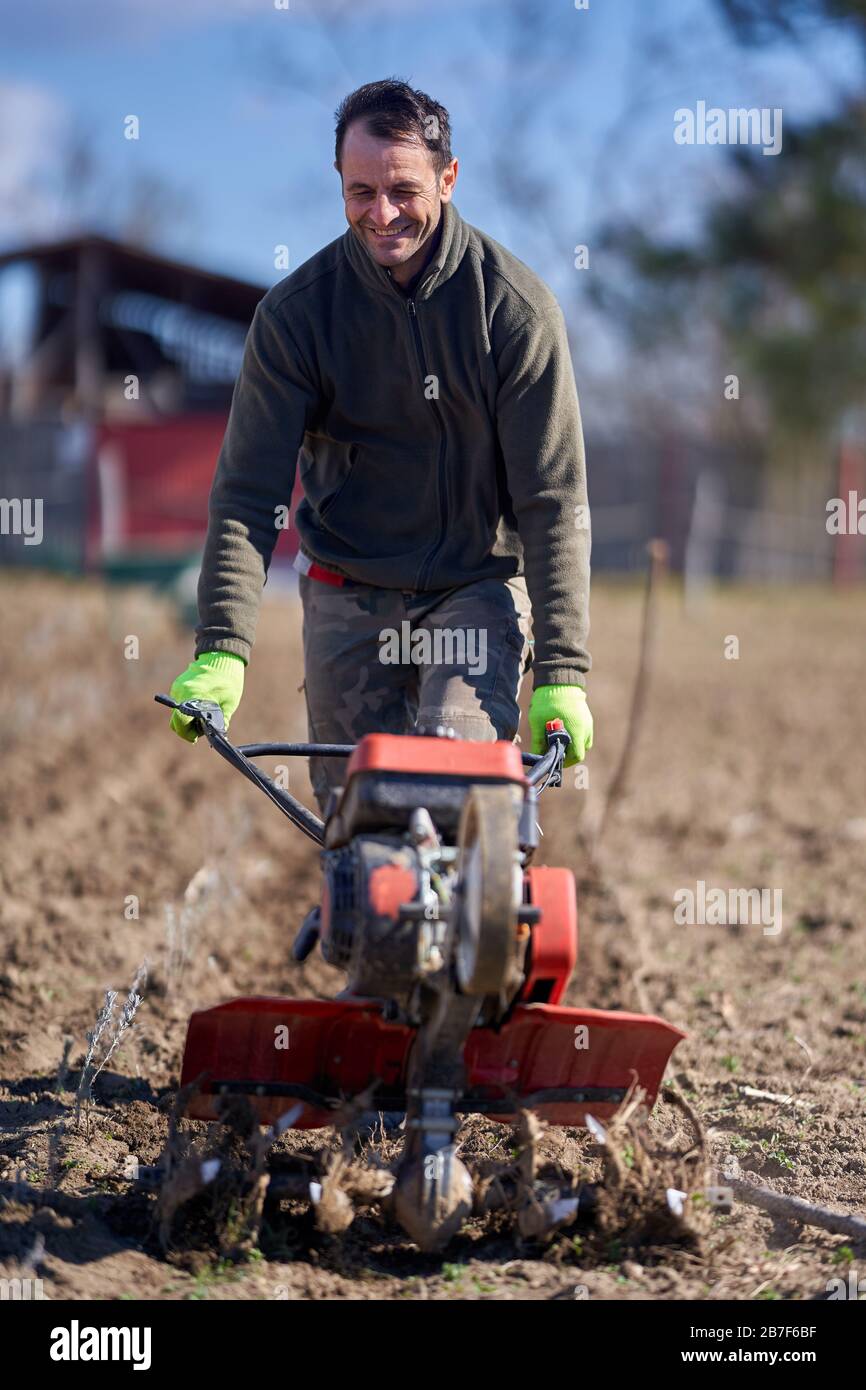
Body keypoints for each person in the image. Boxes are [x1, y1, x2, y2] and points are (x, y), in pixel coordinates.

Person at [168, 78, 593, 814]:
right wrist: (220, 648)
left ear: (449, 178)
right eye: (361, 190)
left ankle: (475, 919)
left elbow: (552, 503)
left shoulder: (514, 312)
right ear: (339, 181)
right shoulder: (297, 318)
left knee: (458, 794)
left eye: (404, 188)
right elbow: (248, 494)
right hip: (347, 590)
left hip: (475, 588)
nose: (383, 212)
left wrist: (562, 669)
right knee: (358, 826)